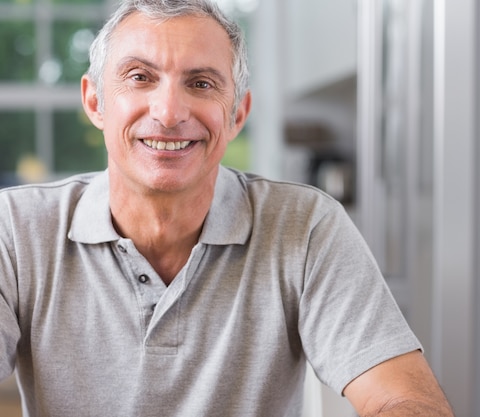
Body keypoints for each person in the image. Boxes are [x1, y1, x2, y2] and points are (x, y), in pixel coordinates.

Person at [0, 0, 454, 415]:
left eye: (201, 83)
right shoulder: (15, 229)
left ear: (237, 115)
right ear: (95, 101)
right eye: (140, 77)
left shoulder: (307, 226)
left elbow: (402, 398)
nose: (170, 111)